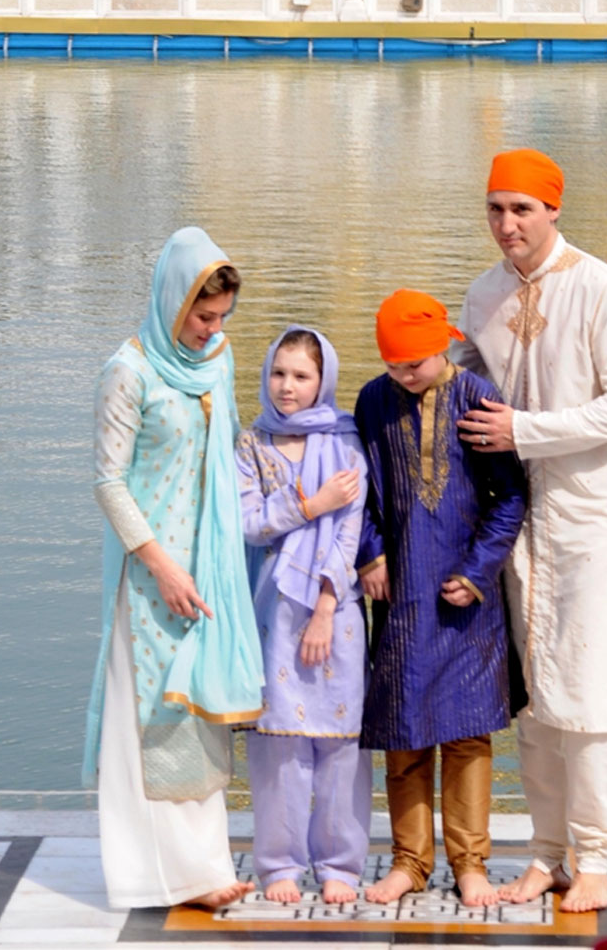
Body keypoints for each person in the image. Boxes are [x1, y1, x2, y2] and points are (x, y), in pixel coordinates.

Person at [452, 149, 607, 915]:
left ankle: (596, 857)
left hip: (594, 517)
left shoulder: (602, 288)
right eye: (495, 208)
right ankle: (545, 854)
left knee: (593, 688)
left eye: (522, 209)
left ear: (553, 211)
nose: (507, 225)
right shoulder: (483, 293)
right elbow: (465, 384)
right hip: (517, 522)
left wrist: (526, 429)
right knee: (536, 696)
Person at [82, 226, 264, 911]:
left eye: (220, 317)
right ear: (170, 299)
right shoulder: (128, 370)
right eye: (200, 314)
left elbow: (232, 446)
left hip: (210, 568)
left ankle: (204, 866)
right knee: (156, 717)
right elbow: (108, 482)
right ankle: (151, 874)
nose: (210, 329)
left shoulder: (215, 358)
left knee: (204, 714)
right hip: (151, 574)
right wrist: (158, 564)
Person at [356, 290, 527, 909]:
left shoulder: (478, 399)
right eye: (395, 366)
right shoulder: (374, 400)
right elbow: (365, 496)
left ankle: (471, 863)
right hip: (401, 595)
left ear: (441, 346)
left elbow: (510, 499)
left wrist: (478, 570)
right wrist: (371, 553)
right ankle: (409, 861)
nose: (405, 376)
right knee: (404, 732)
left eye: (416, 365)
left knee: (466, 735)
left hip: (467, 599)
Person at [236, 326, 372, 906]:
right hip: (270, 608)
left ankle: (340, 862)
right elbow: (248, 523)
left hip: (332, 609)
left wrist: (324, 607)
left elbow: (350, 534)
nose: (287, 388)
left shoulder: (346, 442)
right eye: (278, 373)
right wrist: (310, 504)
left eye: (301, 376)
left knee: (341, 742)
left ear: (323, 382)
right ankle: (279, 864)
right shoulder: (250, 444)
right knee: (278, 743)